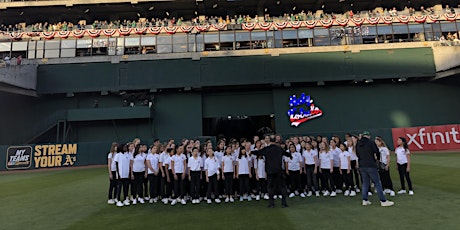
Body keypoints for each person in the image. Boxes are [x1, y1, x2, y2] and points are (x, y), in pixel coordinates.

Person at [356, 131, 394, 207]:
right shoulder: (370, 142)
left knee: (365, 183)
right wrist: (377, 160)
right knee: (377, 182)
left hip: (362, 165)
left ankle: (365, 200)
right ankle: (383, 200)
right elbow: (377, 151)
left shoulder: (358, 144)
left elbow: (357, 154)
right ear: (368, 136)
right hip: (370, 164)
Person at [251, 137, 291, 208]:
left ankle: (271, 203)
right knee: (282, 186)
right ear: (275, 142)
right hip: (279, 170)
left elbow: (258, 152)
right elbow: (286, 153)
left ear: (269, 142)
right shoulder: (279, 148)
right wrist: (290, 156)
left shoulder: (267, 149)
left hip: (270, 171)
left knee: (270, 186)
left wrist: (251, 152)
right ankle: (284, 203)